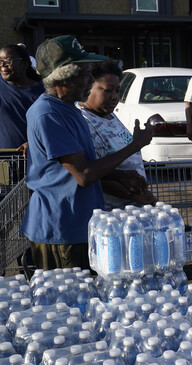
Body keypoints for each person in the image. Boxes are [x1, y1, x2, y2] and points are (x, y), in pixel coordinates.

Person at [20, 35, 153, 270]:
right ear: (65, 77)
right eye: (84, 73)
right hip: (62, 230)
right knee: (68, 302)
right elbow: (82, 175)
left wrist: (119, 176)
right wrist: (135, 145)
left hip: (82, 225)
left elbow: (83, 164)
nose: (90, 81)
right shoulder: (47, 113)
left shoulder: (68, 109)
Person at [77, 60, 156, 210]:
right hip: (111, 215)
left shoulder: (109, 114)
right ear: (88, 88)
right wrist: (135, 196)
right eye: (107, 90)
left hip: (134, 210)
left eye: (117, 90)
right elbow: (94, 175)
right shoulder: (84, 121)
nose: (114, 97)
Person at [0, 44, 44, 151]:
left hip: (33, 159)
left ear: (25, 64)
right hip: (3, 160)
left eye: (9, 61)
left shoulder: (44, 93)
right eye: (0, 61)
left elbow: (53, 127)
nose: (3, 65)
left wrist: (35, 143)